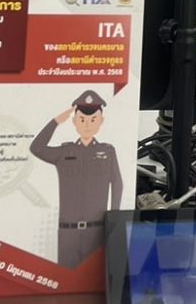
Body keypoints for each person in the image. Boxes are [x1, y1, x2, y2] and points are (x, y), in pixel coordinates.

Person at [30, 90, 122, 268]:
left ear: (101, 121)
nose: (87, 125)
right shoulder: (64, 152)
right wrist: (56, 121)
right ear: (74, 122)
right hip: (68, 232)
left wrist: (114, 219)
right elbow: (37, 148)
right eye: (82, 119)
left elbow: (117, 183)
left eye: (93, 119)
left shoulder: (108, 152)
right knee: (66, 280)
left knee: (96, 278)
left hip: (97, 231)